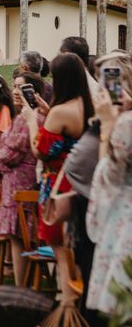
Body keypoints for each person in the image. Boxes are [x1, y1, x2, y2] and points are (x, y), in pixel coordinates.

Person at [22, 52, 94, 307]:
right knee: (81, 250)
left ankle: (67, 306)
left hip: (60, 184)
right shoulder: (89, 105)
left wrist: (33, 121)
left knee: (61, 249)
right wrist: (46, 108)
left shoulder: (60, 112)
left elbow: (41, 150)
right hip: (86, 183)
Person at [0, 71, 44, 286]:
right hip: (24, 178)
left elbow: (12, 150)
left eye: (20, 87)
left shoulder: (28, 118)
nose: (14, 91)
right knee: (23, 236)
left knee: (19, 236)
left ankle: (21, 286)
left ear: (33, 92)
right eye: (14, 86)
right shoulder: (31, 115)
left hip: (19, 180)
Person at [86, 87, 132, 315]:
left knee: (120, 306)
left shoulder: (125, 125)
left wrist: (107, 126)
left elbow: (108, 177)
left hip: (124, 224)